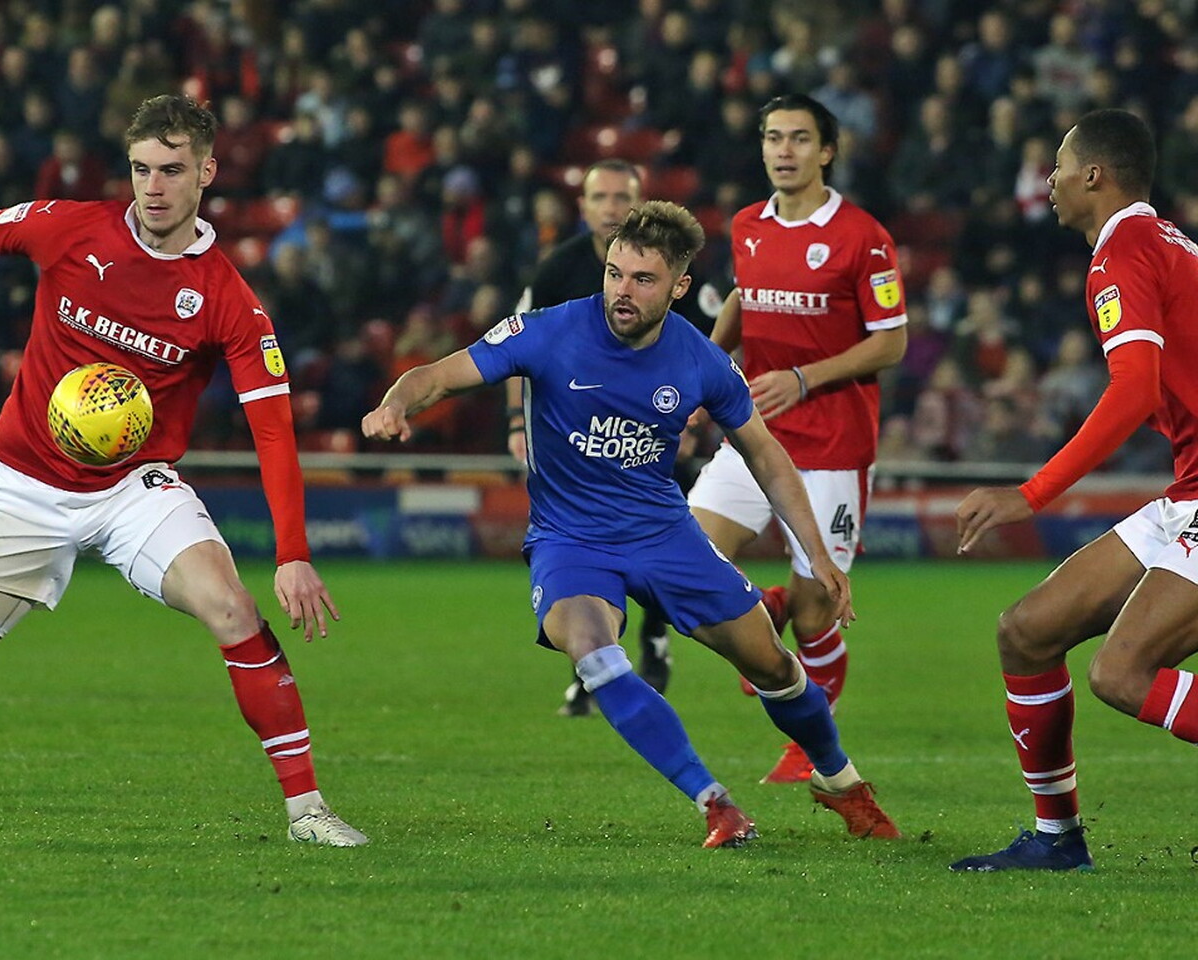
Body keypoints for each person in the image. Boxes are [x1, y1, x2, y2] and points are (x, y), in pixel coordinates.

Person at [363, 200, 899, 846]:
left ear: (679, 286)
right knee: (594, 652)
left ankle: (840, 780)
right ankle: (716, 803)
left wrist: (817, 553)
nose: (622, 290)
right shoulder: (550, 330)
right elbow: (438, 375)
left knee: (775, 669)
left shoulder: (700, 360)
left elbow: (765, 454)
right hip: (570, 541)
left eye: (643, 280)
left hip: (664, 536)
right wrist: (396, 403)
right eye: (615, 273)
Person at [0, 94, 366, 848]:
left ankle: (308, 811)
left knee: (232, 608)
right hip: (23, 486)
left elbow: (274, 431)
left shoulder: (228, 299)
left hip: (135, 488)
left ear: (207, 173)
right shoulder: (65, 227)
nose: (153, 187)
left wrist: (292, 552)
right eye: (140, 169)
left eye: (171, 170)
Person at [950, 108, 1198, 872]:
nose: (1048, 181)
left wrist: (1031, 494)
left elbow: (1133, 390)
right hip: (1189, 488)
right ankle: (1057, 840)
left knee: (1120, 674)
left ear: (1093, 174)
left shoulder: (1124, 249)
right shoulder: (1164, 242)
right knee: (1028, 630)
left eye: (1057, 166)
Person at [686, 93, 908, 783]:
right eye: (774, 137)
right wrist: (702, 370)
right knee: (684, 560)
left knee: (816, 614)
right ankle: (763, 608)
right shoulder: (748, 225)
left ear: (827, 151)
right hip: (754, 436)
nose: (785, 150)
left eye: (800, 138)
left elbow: (892, 341)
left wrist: (805, 379)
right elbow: (744, 298)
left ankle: (810, 741)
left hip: (832, 447)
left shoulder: (862, 237)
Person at [509, 157, 725, 716]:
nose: (610, 207)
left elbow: (715, 345)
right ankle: (591, 667)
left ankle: (653, 633)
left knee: (656, 538)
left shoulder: (670, 269)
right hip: (578, 444)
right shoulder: (557, 271)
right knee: (579, 554)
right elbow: (512, 347)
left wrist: (695, 419)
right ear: (582, 207)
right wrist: (516, 423)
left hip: (658, 434)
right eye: (599, 197)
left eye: (620, 197)